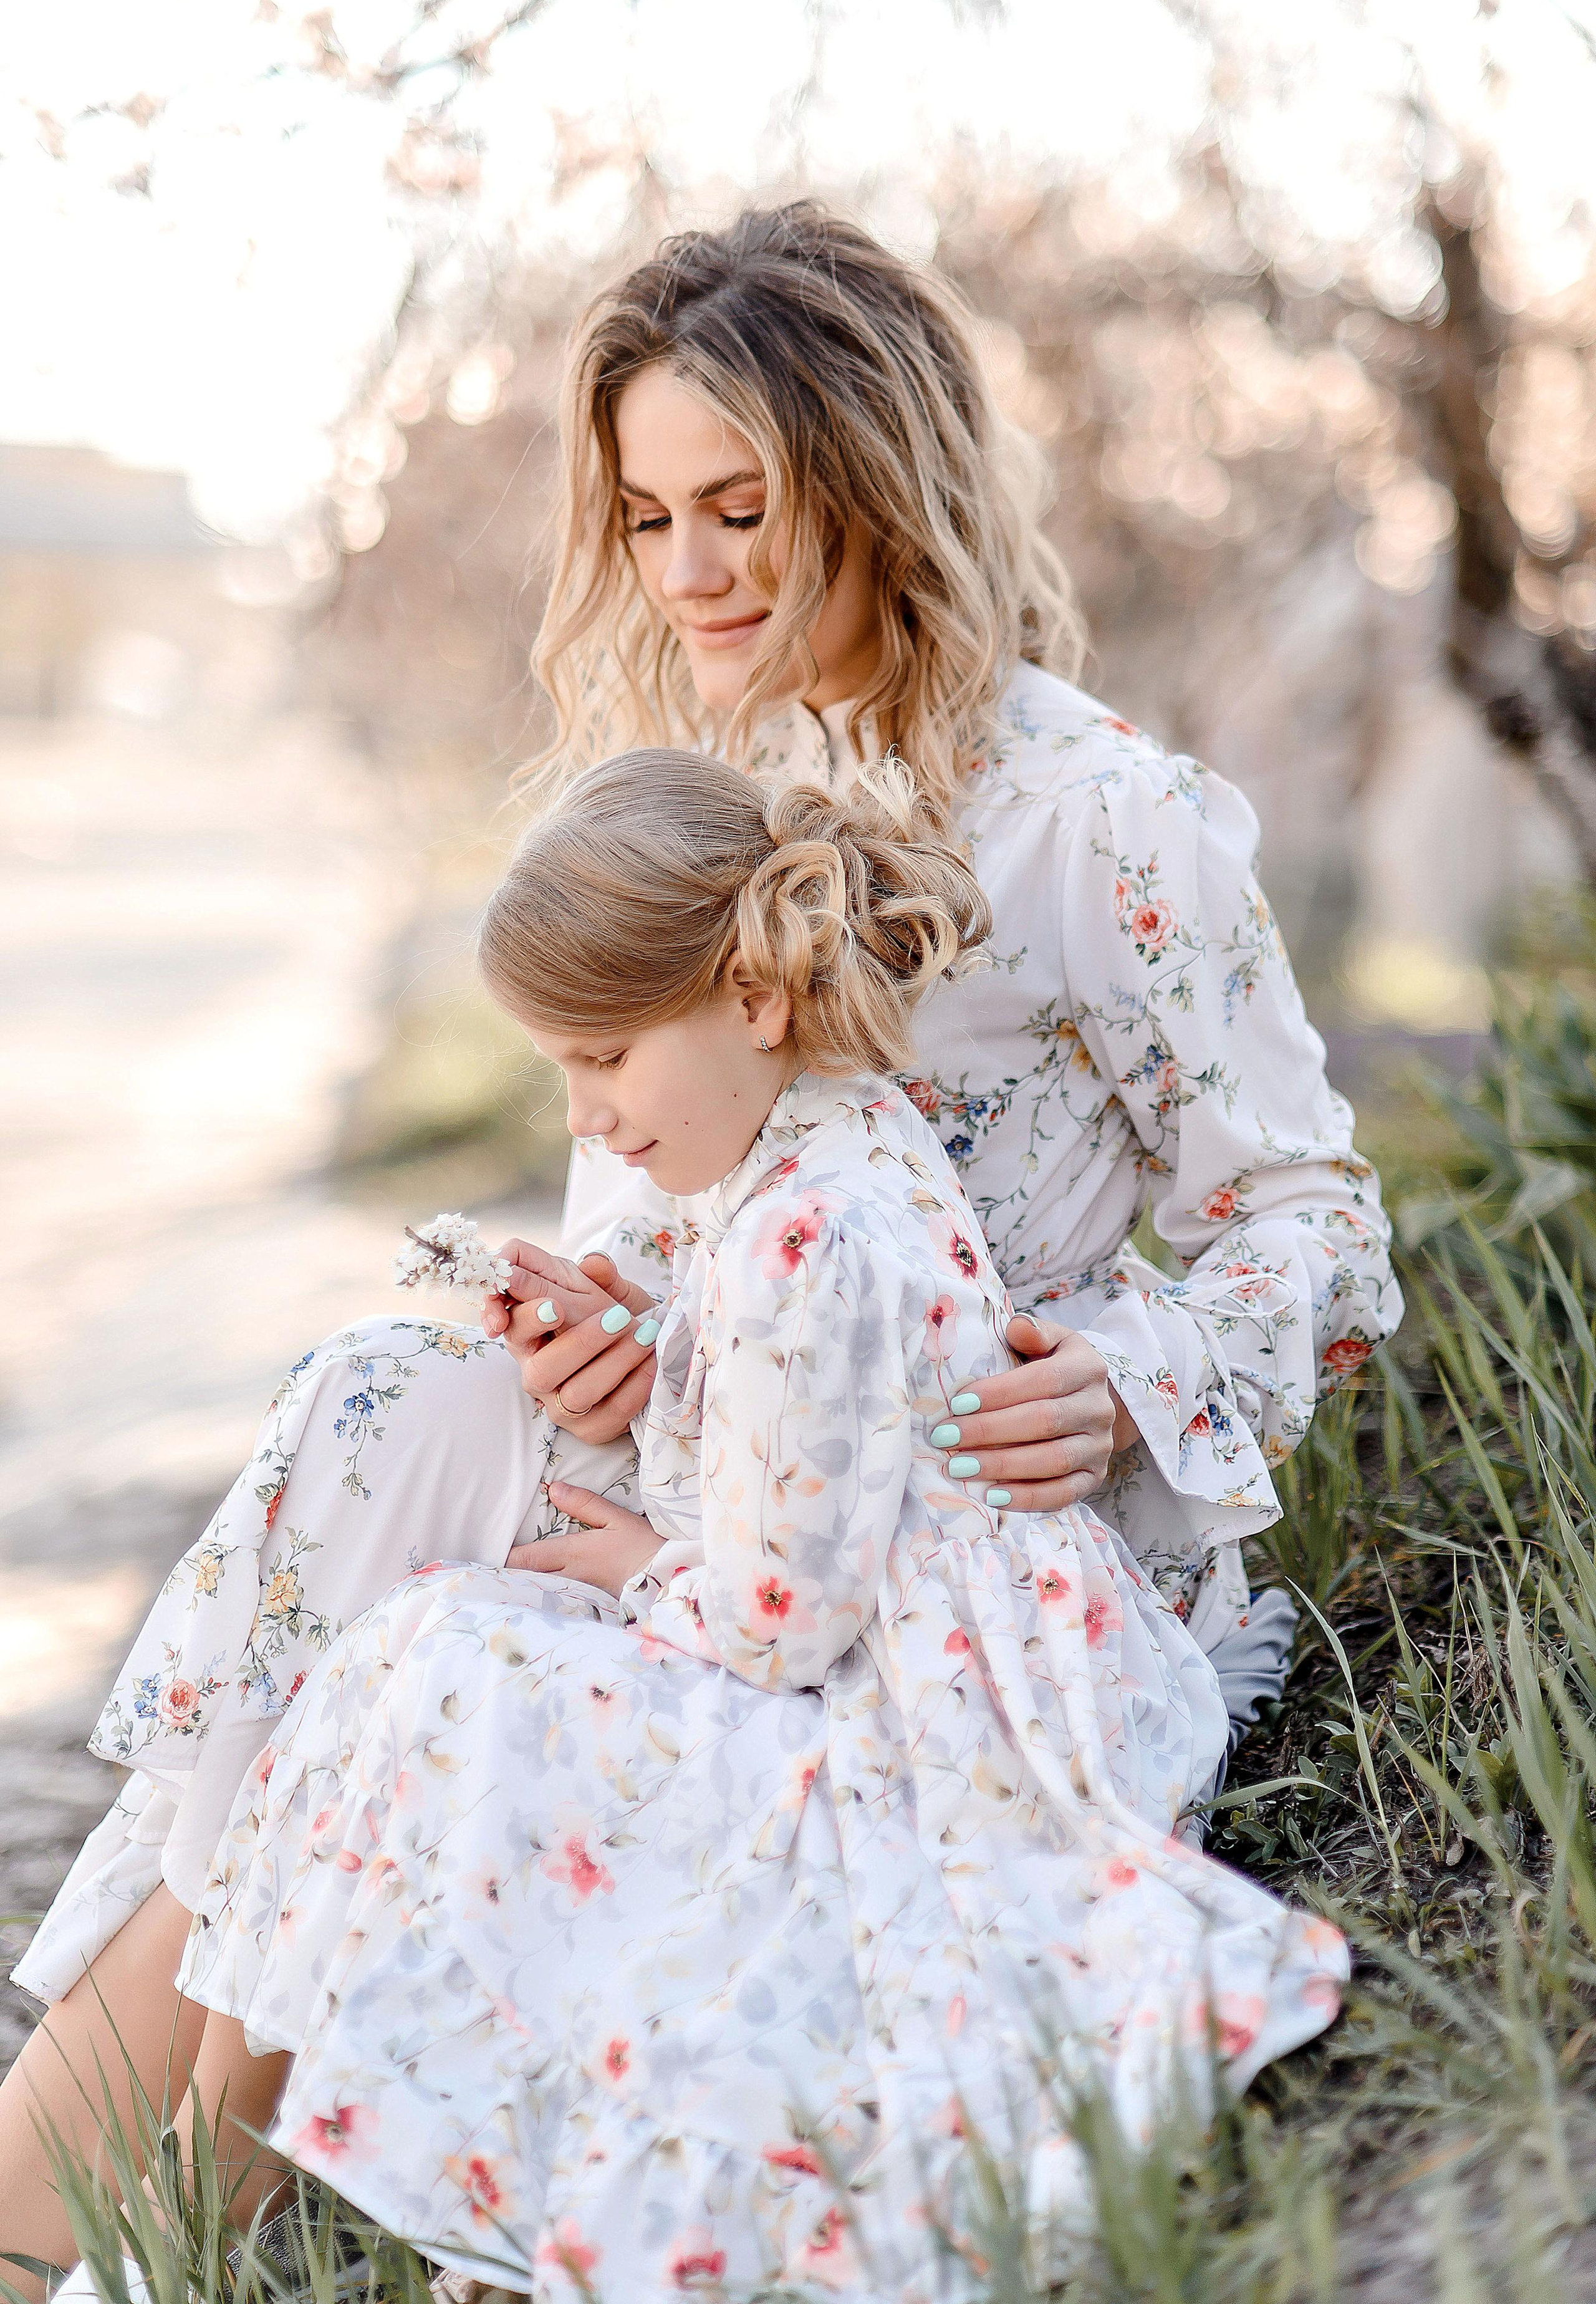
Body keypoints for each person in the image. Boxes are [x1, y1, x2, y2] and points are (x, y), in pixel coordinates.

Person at [0, 201, 1396, 2282]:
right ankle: (98, 2199)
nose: (694, 571)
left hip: (965, 1536)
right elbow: (678, 1230)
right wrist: (604, 1345)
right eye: (650, 517)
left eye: (743, 506)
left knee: (408, 1506)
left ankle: (84, 2210)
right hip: (724, 1459)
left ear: (877, 482)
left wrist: (1132, 1371)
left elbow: (1317, 1222)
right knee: (395, 1389)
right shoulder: (707, 788)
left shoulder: (1103, 818)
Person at [70, 750, 1350, 2300]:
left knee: (436, 1667)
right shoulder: (809, 1157)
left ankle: (268, 2204)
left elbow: (774, 1623)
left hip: (917, 1728)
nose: (585, 1117)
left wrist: (624, 1566)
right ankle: (239, 2199)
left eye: (602, 1059)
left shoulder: (803, 1240)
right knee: (421, 1667)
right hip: (888, 1655)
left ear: (754, 1000)